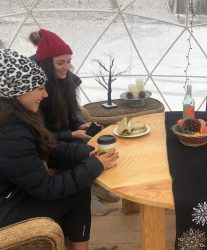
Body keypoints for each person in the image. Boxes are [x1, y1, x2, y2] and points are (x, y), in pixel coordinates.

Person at [0, 49, 119, 250]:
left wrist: (87, 153)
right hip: (6, 210)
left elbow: (49, 146)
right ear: (16, 92)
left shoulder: (17, 117)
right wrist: (94, 166)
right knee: (78, 193)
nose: (45, 94)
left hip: (14, 194)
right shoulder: (10, 133)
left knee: (78, 189)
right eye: (38, 88)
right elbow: (47, 188)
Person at [29, 29, 120, 215]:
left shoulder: (67, 80)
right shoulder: (36, 91)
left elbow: (73, 110)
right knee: (84, 151)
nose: (66, 67)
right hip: (47, 144)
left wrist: (80, 124)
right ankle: (85, 194)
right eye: (60, 62)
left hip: (65, 136)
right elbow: (38, 133)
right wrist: (70, 134)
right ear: (47, 64)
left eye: (69, 61)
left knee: (96, 142)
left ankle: (95, 183)